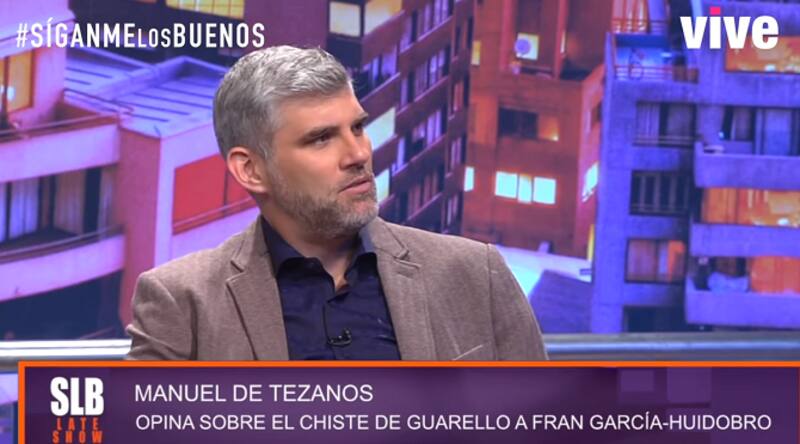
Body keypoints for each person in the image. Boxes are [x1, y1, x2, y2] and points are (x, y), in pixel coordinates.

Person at [126, 46, 546, 361]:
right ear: (251, 170)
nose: (359, 154)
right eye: (322, 138)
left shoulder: (475, 274)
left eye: (358, 128)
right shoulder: (182, 302)